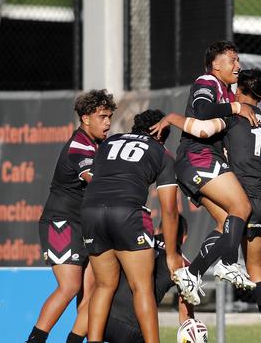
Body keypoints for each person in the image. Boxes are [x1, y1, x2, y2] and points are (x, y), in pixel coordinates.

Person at [151, 69, 261, 343]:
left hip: (253, 196)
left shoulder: (234, 114)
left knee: (254, 264)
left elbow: (203, 127)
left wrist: (172, 117)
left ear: (239, 91)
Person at [171, 40, 258, 305]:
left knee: (226, 224)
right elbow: (201, 111)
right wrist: (235, 108)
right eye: (232, 59)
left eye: (238, 59)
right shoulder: (206, 81)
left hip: (203, 161)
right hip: (199, 158)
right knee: (242, 207)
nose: (237, 65)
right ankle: (229, 263)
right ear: (215, 64)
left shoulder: (227, 92)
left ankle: (192, 273)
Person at [81, 109, 180, 343]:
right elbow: (169, 209)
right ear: (161, 134)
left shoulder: (110, 142)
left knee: (104, 286)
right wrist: (173, 254)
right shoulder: (162, 153)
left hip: (91, 211)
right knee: (141, 287)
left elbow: (97, 178)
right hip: (126, 212)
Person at [27, 89, 116, 343]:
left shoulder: (98, 144)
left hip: (86, 224)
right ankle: (34, 340)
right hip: (61, 222)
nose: (108, 122)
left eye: (109, 116)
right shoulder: (79, 146)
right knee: (69, 286)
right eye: (102, 117)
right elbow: (96, 182)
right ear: (86, 118)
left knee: (94, 290)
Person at [103, 215, 197, 343]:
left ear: (157, 230)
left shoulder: (140, 240)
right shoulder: (184, 265)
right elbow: (185, 316)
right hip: (135, 327)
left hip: (105, 316)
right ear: (184, 238)